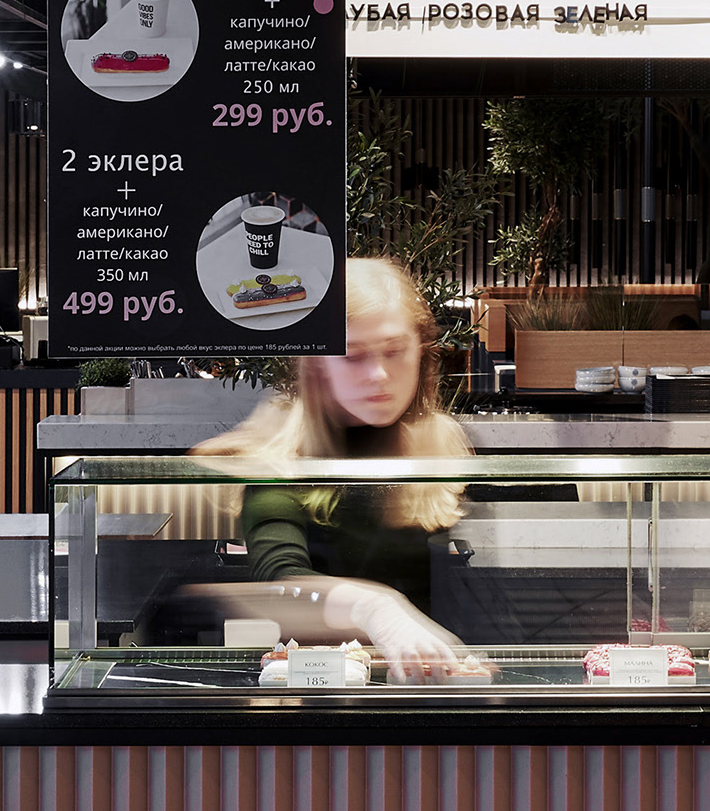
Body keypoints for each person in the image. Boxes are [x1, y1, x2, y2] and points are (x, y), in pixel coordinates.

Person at [185, 255, 491, 680]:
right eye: (352, 356)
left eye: (395, 351)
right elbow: (281, 580)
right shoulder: (279, 456)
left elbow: (487, 593)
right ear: (318, 365)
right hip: (321, 686)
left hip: (430, 687)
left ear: (422, 353)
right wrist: (377, 611)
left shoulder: (444, 446)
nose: (378, 374)